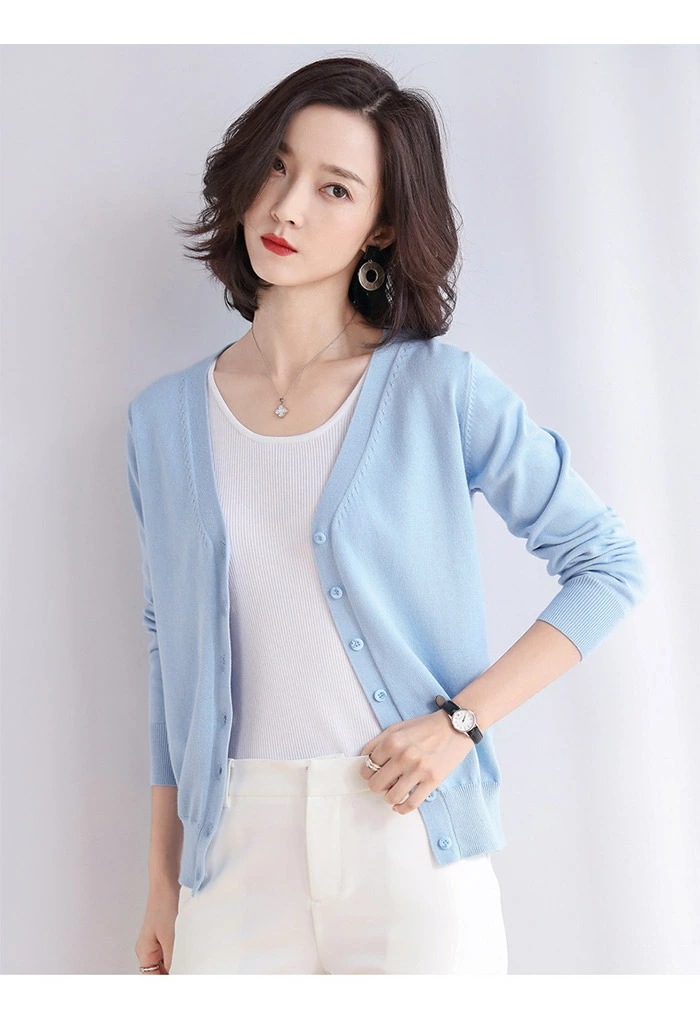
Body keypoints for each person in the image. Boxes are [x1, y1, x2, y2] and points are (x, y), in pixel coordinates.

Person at [126, 55, 648, 975]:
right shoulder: (161, 419)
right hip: (231, 852)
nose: (287, 208)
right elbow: (171, 645)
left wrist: (461, 724)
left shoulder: (440, 390)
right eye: (278, 167)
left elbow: (608, 565)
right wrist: (164, 879)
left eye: (334, 188)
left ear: (383, 226)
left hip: (407, 839)